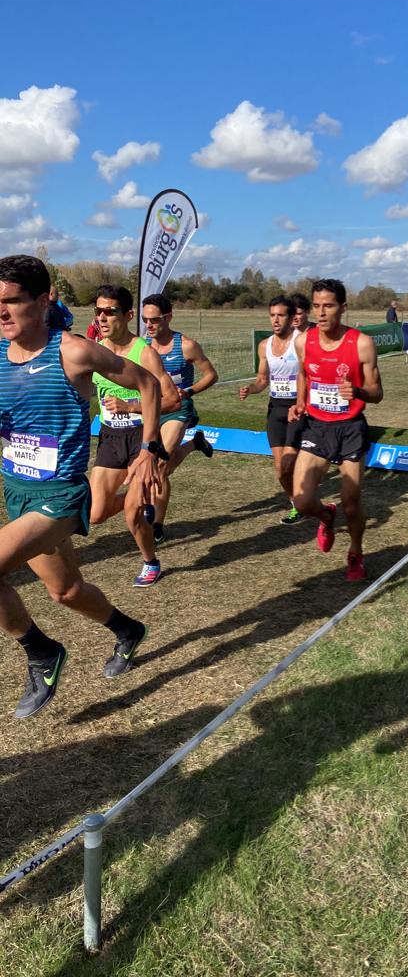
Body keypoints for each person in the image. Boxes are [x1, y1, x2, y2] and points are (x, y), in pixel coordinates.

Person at [0, 255, 162, 719]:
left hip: (62, 495)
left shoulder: (71, 351)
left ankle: (41, 653)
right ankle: (127, 629)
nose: (3, 313)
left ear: (45, 298)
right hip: (18, 491)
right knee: (66, 591)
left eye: (12, 302)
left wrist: (150, 448)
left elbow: (148, 383)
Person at [288, 279, 383, 580]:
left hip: (350, 428)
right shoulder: (304, 340)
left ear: (343, 307)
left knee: (352, 505)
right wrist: (300, 400)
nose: (321, 312)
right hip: (317, 428)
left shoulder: (362, 343)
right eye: (316, 306)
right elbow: (304, 372)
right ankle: (326, 516)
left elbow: (377, 392)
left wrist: (358, 392)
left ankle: (355, 551)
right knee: (301, 501)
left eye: (328, 305)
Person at [89, 285, 180, 586]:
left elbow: (172, 400)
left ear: (128, 315)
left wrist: (131, 405)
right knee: (95, 513)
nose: (102, 317)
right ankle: (137, 498)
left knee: (131, 517)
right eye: (98, 311)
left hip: (140, 437)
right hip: (110, 436)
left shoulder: (145, 353)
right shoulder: (94, 349)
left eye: (110, 311)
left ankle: (150, 561)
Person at [142, 293, 218, 544]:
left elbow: (211, 375)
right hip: (153, 410)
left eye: (154, 320)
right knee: (159, 464)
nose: (149, 325)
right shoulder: (143, 346)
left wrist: (191, 390)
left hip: (179, 409)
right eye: (145, 320)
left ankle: (157, 525)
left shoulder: (185, 345)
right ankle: (195, 443)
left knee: (161, 465)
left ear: (168, 317)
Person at [239, 295, 306, 525]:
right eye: (272, 315)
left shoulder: (302, 341)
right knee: (280, 469)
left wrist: (303, 402)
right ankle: (296, 504)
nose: (276, 320)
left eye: (281, 315)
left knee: (289, 463)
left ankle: (305, 498)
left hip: (298, 408)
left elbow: (311, 374)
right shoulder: (264, 346)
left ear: (291, 317)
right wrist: (251, 388)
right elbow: (262, 380)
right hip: (276, 408)